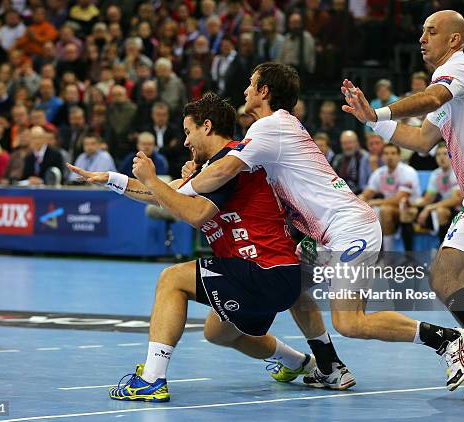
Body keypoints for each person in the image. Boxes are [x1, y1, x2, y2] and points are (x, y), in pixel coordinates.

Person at [183, 62, 464, 391]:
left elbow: (222, 172)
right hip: (328, 233)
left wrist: (167, 191)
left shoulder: (268, 128)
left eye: (251, 85)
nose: (246, 90)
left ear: (264, 91)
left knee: (349, 322)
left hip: (351, 230)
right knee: (292, 284)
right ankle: (329, 366)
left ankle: (449, 340)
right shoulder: (275, 129)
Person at [341, 10, 464, 400]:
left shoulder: (459, 68)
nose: (422, 38)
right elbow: (421, 141)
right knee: (447, 277)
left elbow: (431, 97)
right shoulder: (452, 86)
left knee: (445, 276)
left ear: (454, 40)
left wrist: (380, 109)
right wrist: (371, 121)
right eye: (421, 31)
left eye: (431, 31)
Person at [69, 93, 316, 402]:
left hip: (261, 268)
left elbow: (196, 214)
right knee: (218, 332)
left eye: (188, 132)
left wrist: (153, 179)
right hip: (274, 277)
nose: (186, 142)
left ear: (207, 126)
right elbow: (165, 194)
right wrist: (110, 179)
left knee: (172, 279)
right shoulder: (214, 167)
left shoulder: (230, 162)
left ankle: (152, 379)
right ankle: (298, 362)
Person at [359, 143, 420, 252]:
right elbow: (367, 193)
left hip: (410, 209)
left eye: (393, 153)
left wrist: (376, 202)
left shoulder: (408, 172)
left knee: (384, 210)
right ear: (382, 157)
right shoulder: (379, 173)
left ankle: (388, 254)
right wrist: (359, 200)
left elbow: (399, 200)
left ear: (399, 156)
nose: (389, 156)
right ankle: (368, 253)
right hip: (389, 209)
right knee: (367, 211)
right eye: (386, 153)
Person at [400, 143, 463, 250]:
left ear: (452, 155)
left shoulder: (457, 171)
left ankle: (443, 251)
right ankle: (408, 255)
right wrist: (412, 203)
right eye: (438, 155)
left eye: (445, 154)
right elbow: (428, 199)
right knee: (408, 213)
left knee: (441, 211)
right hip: (440, 207)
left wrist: (430, 208)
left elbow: (456, 200)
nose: (441, 158)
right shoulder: (436, 174)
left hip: (460, 210)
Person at [331, 130, 370, 195]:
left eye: (350, 142)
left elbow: (367, 183)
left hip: (360, 194)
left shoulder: (365, 158)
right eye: (344, 143)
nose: (347, 146)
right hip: (340, 193)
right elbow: (333, 178)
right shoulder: (338, 159)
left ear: (357, 143)